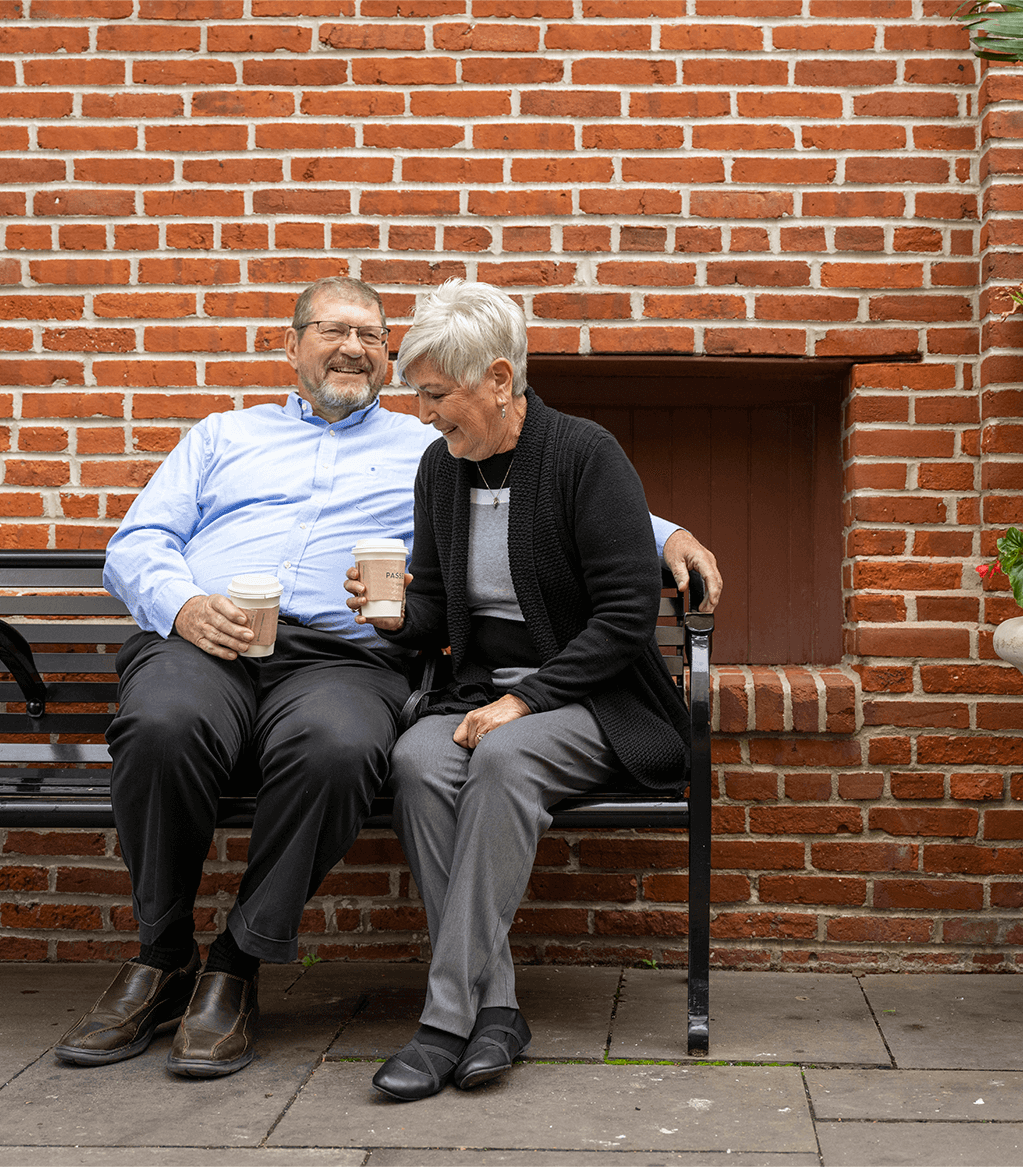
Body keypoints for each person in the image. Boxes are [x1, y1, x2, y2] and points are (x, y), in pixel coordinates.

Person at [51, 276, 721, 1079]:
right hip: (210, 642)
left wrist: (670, 533)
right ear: (290, 344)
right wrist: (184, 604)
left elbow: (561, 485)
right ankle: (160, 958)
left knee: (339, 746)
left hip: (341, 659)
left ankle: (235, 961)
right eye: (334, 330)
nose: (355, 348)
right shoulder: (223, 436)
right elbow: (136, 543)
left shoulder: (430, 442)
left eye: (373, 336)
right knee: (161, 725)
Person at [347, 280, 692, 1102]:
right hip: (476, 694)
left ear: (499, 381)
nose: (425, 413)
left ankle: (442, 1021)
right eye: (419, 395)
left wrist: (527, 699)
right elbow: (437, 602)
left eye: (437, 394)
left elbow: (619, 620)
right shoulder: (442, 468)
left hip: (596, 698)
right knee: (420, 761)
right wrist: (395, 615)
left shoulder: (585, 455)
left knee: (501, 758)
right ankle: (496, 1010)